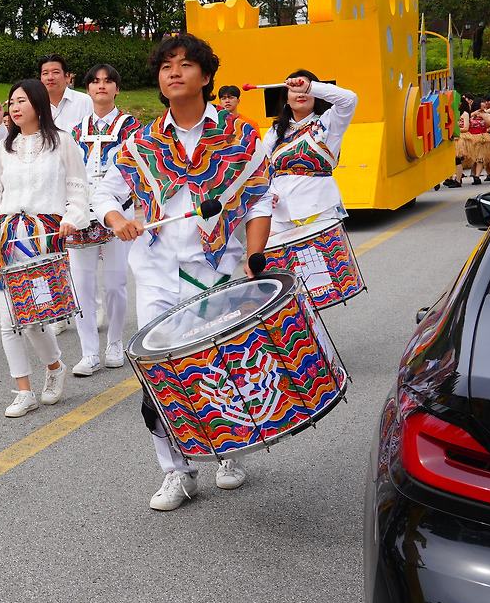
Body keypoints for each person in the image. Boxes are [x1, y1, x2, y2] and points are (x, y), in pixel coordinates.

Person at [92, 34, 272, 511]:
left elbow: (257, 200)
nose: (174, 72)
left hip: (215, 273)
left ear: (206, 76)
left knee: (224, 367)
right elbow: (105, 195)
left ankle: (230, 451)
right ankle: (176, 470)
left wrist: (254, 262)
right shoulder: (141, 141)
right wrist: (119, 220)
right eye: (166, 65)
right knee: (161, 374)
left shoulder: (240, 135)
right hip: (155, 272)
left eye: (186, 64)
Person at [0, 79, 90, 417]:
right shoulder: (4, 148)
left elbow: (79, 189)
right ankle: (23, 390)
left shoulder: (63, 143)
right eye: (11, 102)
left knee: (36, 317)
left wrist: (73, 217)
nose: (14, 107)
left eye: (21, 100)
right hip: (8, 238)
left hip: (44, 237)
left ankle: (54, 367)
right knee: (9, 318)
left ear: (38, 104)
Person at [67, 63, 139, 377]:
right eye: (95, 82)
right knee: (81, 285)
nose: (101, 86)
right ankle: (88, 352)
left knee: (114, 283)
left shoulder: (132, 127)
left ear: (117, 89)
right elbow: (67, 171)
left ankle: (114, 341)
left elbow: (136, 168)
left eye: (108, 81)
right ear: (88, 89)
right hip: (82, 212)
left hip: (118, 210)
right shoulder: (75, 129)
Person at [260, 70, 358, 234]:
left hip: (319, 210)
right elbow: (264, 167)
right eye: (294, 90)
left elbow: (349, 99)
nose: (300, 94)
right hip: (280, 215)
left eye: (304, 90)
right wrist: (270, 193)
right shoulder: (275, 131)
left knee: (322, 260)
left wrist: (309, 87)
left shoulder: (329, 122)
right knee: (276, 259)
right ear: (286, 98)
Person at [0, 53, 91, 143]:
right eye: (45, 73)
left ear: (67, 77)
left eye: (55, 72)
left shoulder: (85, 102)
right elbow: (17, 143)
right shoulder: (32, 105)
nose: (50, 77)